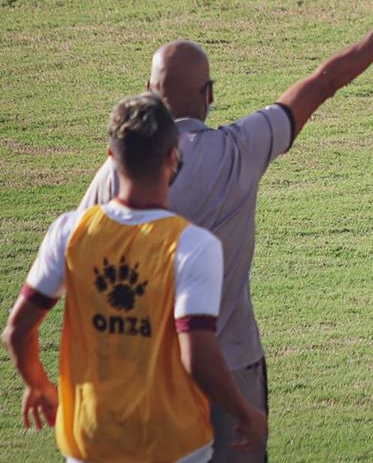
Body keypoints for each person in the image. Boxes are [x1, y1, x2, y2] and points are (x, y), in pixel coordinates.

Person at [78, 0, 373, 461]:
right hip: (232, 365)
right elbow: (322, 82)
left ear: (150, 93)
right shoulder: (241, 149)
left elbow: (80, 258)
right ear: (209, 94)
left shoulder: (117, 173)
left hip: (146, 374)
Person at [4, 93, 267, 463]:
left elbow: (17, 331)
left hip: (89, 444)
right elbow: (198, 355)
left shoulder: (70, 232)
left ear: (111, 159)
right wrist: (245, 412)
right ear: (173, 158)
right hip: (173, 447)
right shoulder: (192, 246)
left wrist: (38, 384)